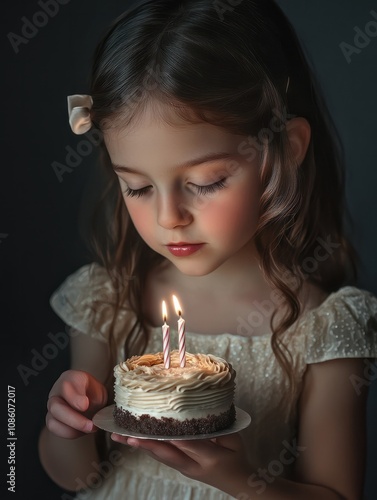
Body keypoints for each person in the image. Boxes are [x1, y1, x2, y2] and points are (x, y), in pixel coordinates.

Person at [38, 1, 377, 498]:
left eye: (206, 181)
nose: (168, 216)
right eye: (137, 187)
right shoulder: (108, 300)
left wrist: (238, 479)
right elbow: (77, 476)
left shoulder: (323, 326)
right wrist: (66, 427)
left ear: (285, 149)